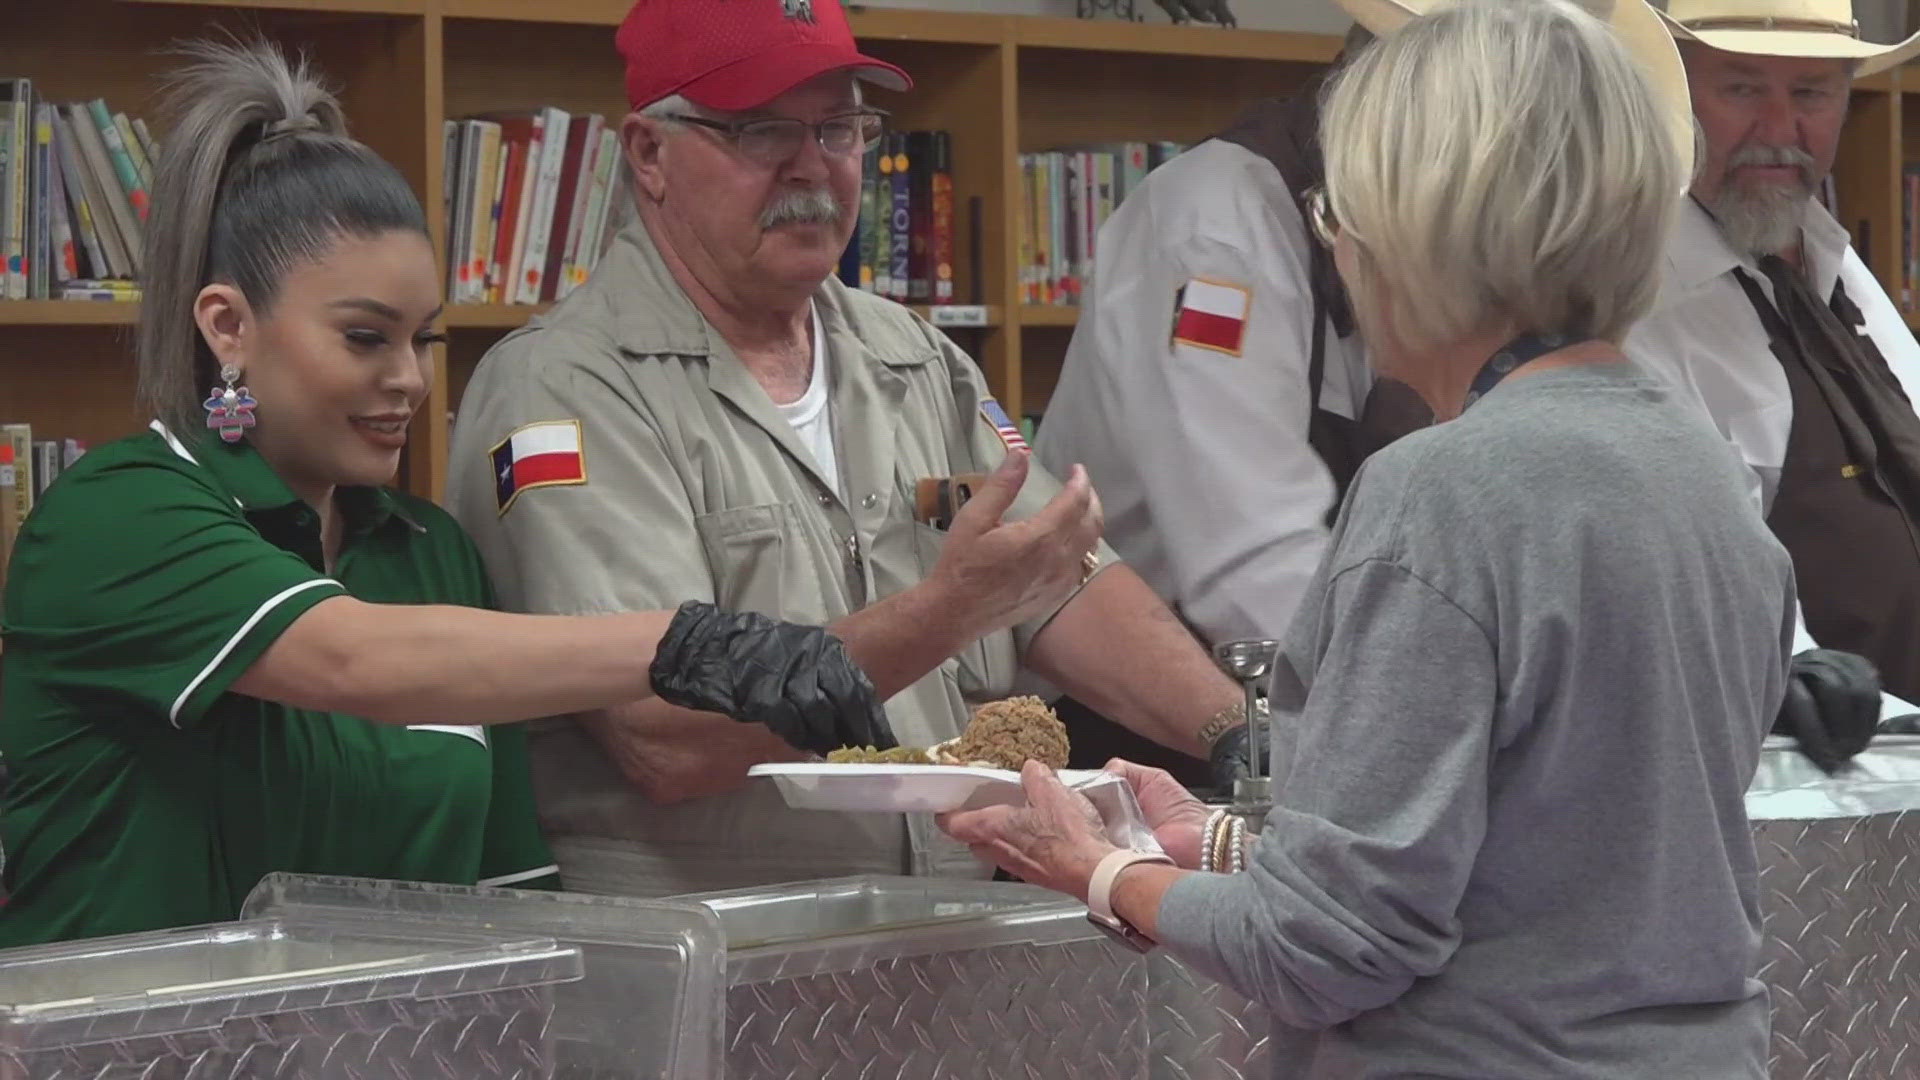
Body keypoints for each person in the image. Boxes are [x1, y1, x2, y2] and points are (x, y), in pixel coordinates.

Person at [943, 0, 1793, 1076]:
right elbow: (1540, 850)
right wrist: (1220, 842)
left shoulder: (1440, 492)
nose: (1338, 247)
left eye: (1344, 209)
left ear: (1415, 227)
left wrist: (1096, 870)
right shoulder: (1704, 470)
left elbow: (1330, 950)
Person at [0, 38, 896, 948]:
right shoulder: (119, 515)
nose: (409, 381)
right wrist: (695, 641)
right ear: (228, 325)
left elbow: (507, 904)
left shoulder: (427, 551)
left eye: (423, 341)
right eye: (364, 338)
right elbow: (351, 659)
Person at [444, 0, 1254, 897]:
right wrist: (948, 614)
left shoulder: (912, 355)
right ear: (649, 153)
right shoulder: (567, 390)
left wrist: (1242, 734)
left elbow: (1053, 581)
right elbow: (660, 737)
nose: (814, 167)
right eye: (762, 132)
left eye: (840, 128)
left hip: (938, 924)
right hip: (708, 946)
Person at [1031, 23, 1432, 783]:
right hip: (1150, 728)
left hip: (1320, 702)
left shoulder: (1402, 225)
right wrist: (1431, 715)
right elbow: (1250, 559)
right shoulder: (1216, 231)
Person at [1622, 0, 1920, 761]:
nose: (1782, 130)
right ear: (1673, 95)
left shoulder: (1835, 264)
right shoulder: (1636, 302)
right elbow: (1698, 568)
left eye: (1812, 93)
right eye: (1744, 90)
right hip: (1814, 795)